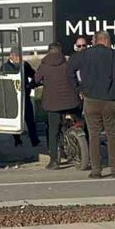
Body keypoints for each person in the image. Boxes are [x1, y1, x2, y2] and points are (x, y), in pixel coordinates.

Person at [68, 30, 115, 178]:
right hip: (110, 100)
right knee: (112, 135)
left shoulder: (84, 54)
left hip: (91, 100)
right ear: (106, 40)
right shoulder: (113, 55)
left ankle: (96, 170)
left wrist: (79, 89)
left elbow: (70, 71)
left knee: (94, 135)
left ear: (95, 40)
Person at [34, 42, 82, 170]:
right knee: (80, 122)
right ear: (60, 51)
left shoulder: (44, 66)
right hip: (72, 102)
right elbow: (75, 78)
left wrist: (32, 84)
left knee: (53, 131)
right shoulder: (67, 64)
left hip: (53, 104)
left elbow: (36, 80)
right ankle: (86, 149)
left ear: (49, 51)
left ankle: (54, 160)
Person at [4, 50, 40, 147]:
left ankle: (35, 141)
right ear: (11, 56)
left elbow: (33, 74)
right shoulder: (5, 67)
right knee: (15, 119)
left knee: (30, 119)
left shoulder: (24, 65)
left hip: (24, 96)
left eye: (19, 56)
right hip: (12, 98)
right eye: (16, 56)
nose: (19, 58)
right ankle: (17, 140)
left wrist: (32, 84)